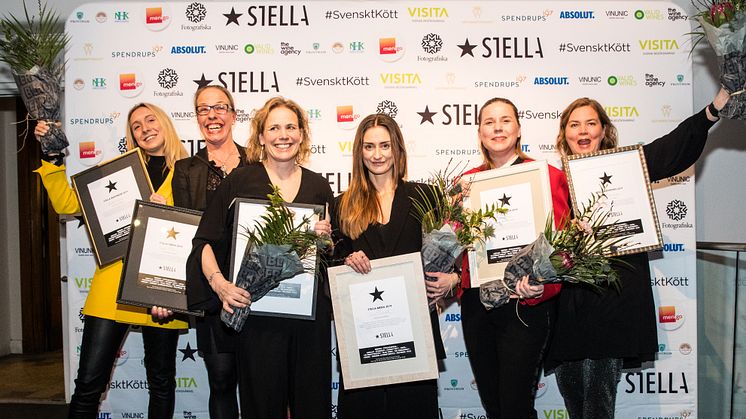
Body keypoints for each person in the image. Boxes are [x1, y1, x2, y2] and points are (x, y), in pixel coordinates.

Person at [546, 88, 730, 418]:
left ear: (604, 130)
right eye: (575, 125)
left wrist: (711, 111)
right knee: (572, 392)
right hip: (569, 302)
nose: (583, 131)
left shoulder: (628, 165)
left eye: (591, 123)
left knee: (599, 402)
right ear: (564, 134)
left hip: (612, 299)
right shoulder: (552, 182)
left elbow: (672, 148)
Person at [34, 103, 189, 418]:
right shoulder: (120, 171)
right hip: (112, 288)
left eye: (150, 119)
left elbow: (201, 230)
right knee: (89, 383)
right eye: (135, 125)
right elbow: (66, 203)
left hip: (164, 290)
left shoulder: (191, 171)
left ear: (166, 124)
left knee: (162, 383)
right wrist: (52, 158)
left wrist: (166, 212)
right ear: (131, 135)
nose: (144, 128)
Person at [186, 96, 334, 418]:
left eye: (291, 127)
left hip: (308, 321)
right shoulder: (240, 181)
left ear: (302, 134)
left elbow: (331, 256)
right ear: (261, 136)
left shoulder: (320, 187)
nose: (284, 135)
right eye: (275, 128)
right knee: (262, 405)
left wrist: (326, 241)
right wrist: (221, 285)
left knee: (312, 404)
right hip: (258, 320)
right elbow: (204, 242)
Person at [457, 97, 571, 419]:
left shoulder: (547, 176)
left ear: (518, 129)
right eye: (489, 122)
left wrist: (541, 287)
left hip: (524, 304)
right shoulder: (465, 184)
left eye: (505, 120)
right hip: (478, 306)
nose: (497, 128)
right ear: (479, 132)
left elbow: (561, 248)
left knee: (515, 405)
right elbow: (460, 250)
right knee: (493, 404)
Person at [331, 113, 451, 419]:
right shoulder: (342, 204)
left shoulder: (426, 196)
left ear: (397, 148)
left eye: (384, 145)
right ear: (359, 152)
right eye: (369, 146)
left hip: (414, 331)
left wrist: (452, 279)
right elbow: (332, 262)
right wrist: (345, 260)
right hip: (363, 336)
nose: (377, 154)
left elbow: (452, 252)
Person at [175, 84, 248, 419]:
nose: (212, 115)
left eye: (219, 107)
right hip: (211, 288)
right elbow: (180, 235)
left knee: (261, 379)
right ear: (197, 119)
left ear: (233, 115)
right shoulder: (185, 171)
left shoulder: (257, 163)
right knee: (220, 379)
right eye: (204, 109)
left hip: (257, 286)